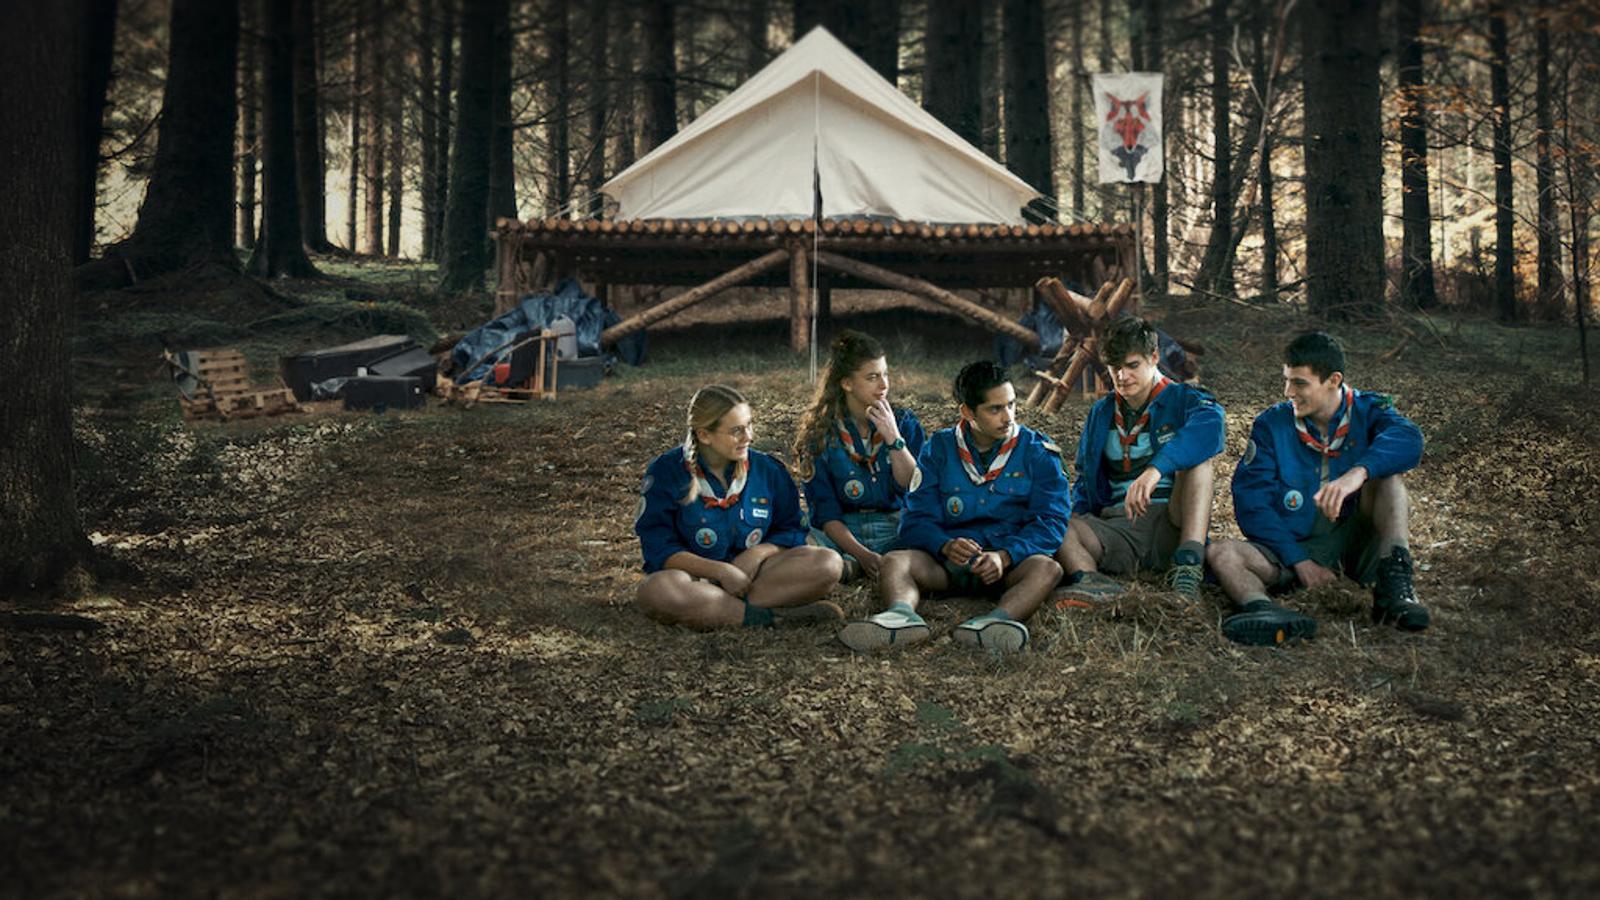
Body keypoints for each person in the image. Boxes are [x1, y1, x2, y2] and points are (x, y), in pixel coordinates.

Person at [1206, 332, 1430, 645]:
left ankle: (1395, 591)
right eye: (1286, 380)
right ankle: (1265, 612)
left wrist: (1358, 473)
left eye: (1299, 383)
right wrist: (1300, 562)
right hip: (1291, 550)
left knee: (1389, 480)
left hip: (1354, 545)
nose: (1288, 392)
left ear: (1333, 380)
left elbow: (1410, 440)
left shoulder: (1369, 411)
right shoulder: (1272, 425)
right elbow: (1252, 502)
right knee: (1221, 553)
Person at [837, 361, 1067, 654]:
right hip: (947, 566)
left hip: (1008, 567)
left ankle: (996, 622)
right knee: (895, 561)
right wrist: (944, 545)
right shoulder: (939, 449)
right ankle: (900, 616)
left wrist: (1005, 556)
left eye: (1011, 405)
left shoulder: (1038, 451)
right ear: (968, 412)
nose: (1007, 416)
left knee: (1048, 568)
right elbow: (915, 519)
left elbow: (1052, 521)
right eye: (994, 409)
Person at [634, 384, 844, 629]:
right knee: (656, 591)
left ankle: (722, 612)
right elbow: (658, 547)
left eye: (749, 425)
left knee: (828, 563)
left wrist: (759, 553)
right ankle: (771, 618)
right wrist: (720, 571)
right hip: (696, 581)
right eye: (736, 431)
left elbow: (792, 529)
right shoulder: (666, 472)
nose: (749, 437)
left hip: (756, 577)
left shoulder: (768, 470)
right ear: (704, 435)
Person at [1053, 317, 1225, 604]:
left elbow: (1212, 428)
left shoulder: (1184, 398)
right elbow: (1085, 479)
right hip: (1117, 524)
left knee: (1197, 461)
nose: (1122, 377)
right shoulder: (1101, 411)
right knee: (1059, 523)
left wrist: (1156, 470)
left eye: (1132, 366)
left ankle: (1187, 566)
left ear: (1154, 357)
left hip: (1172, 519)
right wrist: (1076, 519)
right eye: (1114, 368)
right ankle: (1093, 583)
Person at [792, 330, 926, 582]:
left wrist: (894, 438)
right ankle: (851, 564)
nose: (884, 385)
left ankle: (854, 568)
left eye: (885, 374)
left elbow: (914, 487)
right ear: (847, 383)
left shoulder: (905, 423)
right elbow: (826, 512)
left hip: (894, 526)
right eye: (873, 377)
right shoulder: (820, 433)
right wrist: (862, 553)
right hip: (841, 530)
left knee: (931, 535)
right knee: (800, 540)